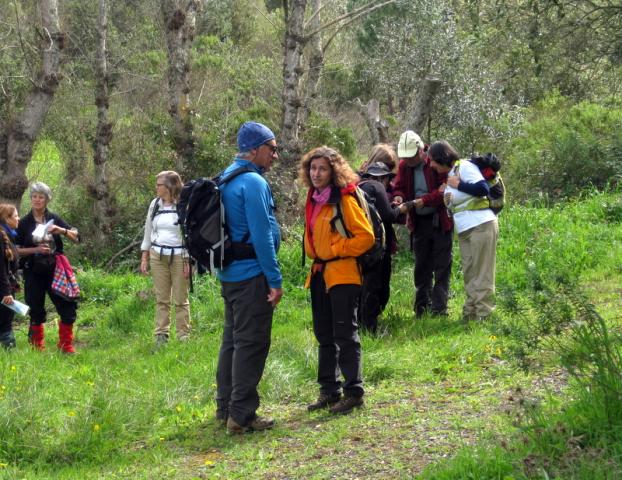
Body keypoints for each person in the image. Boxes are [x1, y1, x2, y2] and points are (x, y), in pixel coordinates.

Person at [215, 121, 283, 434]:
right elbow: (261, 236)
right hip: (252, 276)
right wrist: (275, 279)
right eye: (271, 148)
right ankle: (240, 416)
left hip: (230, 275)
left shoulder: (226, 176)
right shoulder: (253, 183)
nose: (275, 155)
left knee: (232, 342)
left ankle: (225, 406)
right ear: (254, 149)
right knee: (251, 344)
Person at [300, 146, 375, 415]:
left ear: (334, 171)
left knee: (345, 333)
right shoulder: (313, 198)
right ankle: (329, 390)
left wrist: (334, 251)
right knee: (324, 334)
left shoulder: (344, 198)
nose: (316, 173)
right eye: (313, 168)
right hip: (319, 274)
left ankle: (354, 392)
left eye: (322, 168)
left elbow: (366, 237)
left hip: (343, 273)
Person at [427, 140, 498, 321]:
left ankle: (485, 316)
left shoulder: (464, 166)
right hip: (466, 229)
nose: (432, 165)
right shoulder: (451, 175)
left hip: (481, 224)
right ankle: (470, 314)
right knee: (470, 273)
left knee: (482, 273)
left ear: (441, 157)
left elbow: (482, 189)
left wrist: (458, 185)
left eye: (433, 160)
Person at [392, 130, 453, 317]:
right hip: (419, 223)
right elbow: (399, 187)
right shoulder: (404, 166)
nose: (408, 162)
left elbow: (445, 190)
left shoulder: (436, 160)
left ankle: (439, 309)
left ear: (420, 150)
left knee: (442, 265)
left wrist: (423, 201)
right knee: (421, 266)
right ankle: (421, 308)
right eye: (406, 158)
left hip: (440, 220)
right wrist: (399, 197)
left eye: (411, 157)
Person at [16, 182, 80, 353]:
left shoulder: (54, 219)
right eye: (34, 196)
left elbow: (76, 237)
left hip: (55, 269)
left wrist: (61, 230)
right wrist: (36, 249)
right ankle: (37, 348)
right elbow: (15, 250)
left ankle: (65, 345)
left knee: (67, 305)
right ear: (31, 199)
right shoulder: (24, 223)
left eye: (41, 197)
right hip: (32, 270)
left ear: (47, 200)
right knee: (35, 308)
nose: (37, 200)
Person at [358, 160, 410, 333]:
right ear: (383, 178)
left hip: (357, 246)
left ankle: (359, 324)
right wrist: (403, 209)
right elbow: (388, 215)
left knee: (362, 286)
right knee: (377, 287)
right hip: (378, 246)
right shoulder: (377, 187)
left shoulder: (358, 187)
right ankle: (370, 327)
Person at [140, 170, 191, 347]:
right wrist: (145, 256)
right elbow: (148, 231)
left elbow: (189, 235)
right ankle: (161, 335)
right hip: (157, 257)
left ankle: (183, 336)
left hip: (179, 257)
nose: (156, 187)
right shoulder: (155, 205)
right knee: (162, 298)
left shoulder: (183, 205)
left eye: (159, 184)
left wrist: (188, 260)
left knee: (180, 299)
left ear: (170, 186)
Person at [0, 204, 21, 349]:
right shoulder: (1, 237)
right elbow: (1, 268)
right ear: (7, 219)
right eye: (15, 216)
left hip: (6, 284)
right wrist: (7, 292)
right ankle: (10, 356)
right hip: (3, 288)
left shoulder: (8, 235)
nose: (18, 218)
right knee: (5, 321)